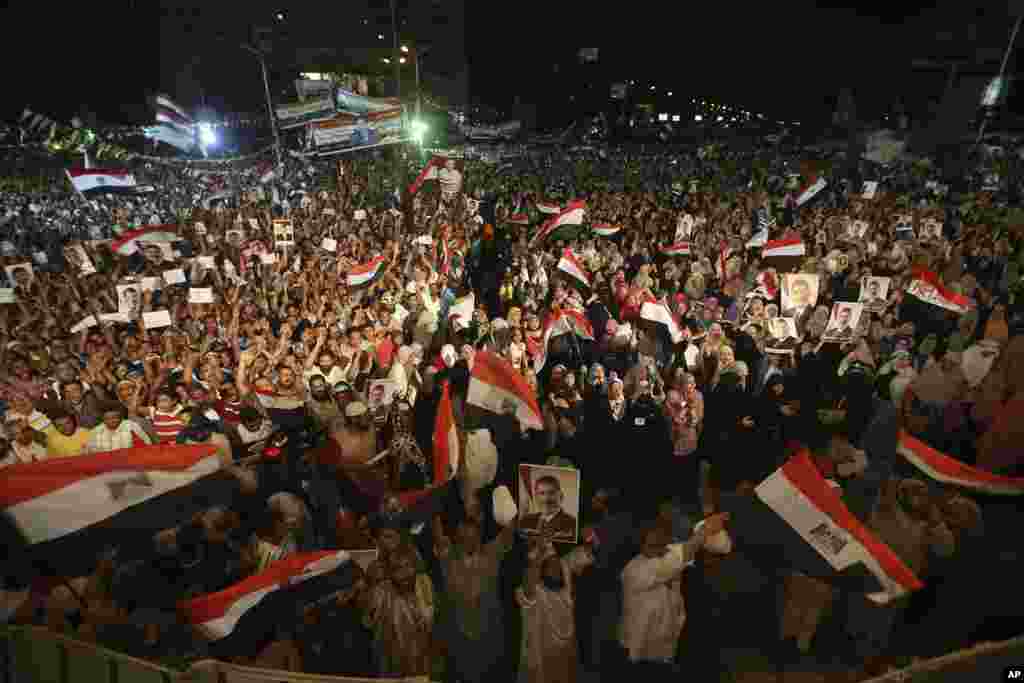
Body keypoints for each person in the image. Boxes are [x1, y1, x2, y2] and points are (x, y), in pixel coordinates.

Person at [619, 514, 729, 665]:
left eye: (663, 544)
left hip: (666, 645)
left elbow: (682, 555)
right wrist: (704, 530)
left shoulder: (666, 558)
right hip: (641, 648)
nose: (661, 550)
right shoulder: (635, 570)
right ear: (641, 545)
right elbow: (675, 559)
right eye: (653, 545)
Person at [519, 474, 578, 541]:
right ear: (536, 497)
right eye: (542, 493)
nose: (546, 499)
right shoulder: (526, 521)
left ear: (561, 496)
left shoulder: (572, 524)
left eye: (551, 493)